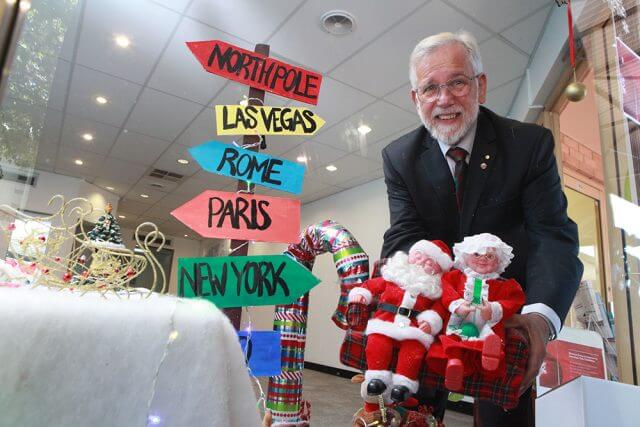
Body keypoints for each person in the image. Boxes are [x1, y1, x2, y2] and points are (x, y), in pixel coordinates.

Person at [380, 30, 583, 426]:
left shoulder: (528, 145)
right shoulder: (399, 157)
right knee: (409, 413)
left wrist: (540, 320)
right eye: (430, 88)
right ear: (415, 99)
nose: (444, 99)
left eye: (457, 82)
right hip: (435, 309)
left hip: (507, 318)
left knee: (505, 417)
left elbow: (552, 236)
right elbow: (404, 236)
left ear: (481, 85)